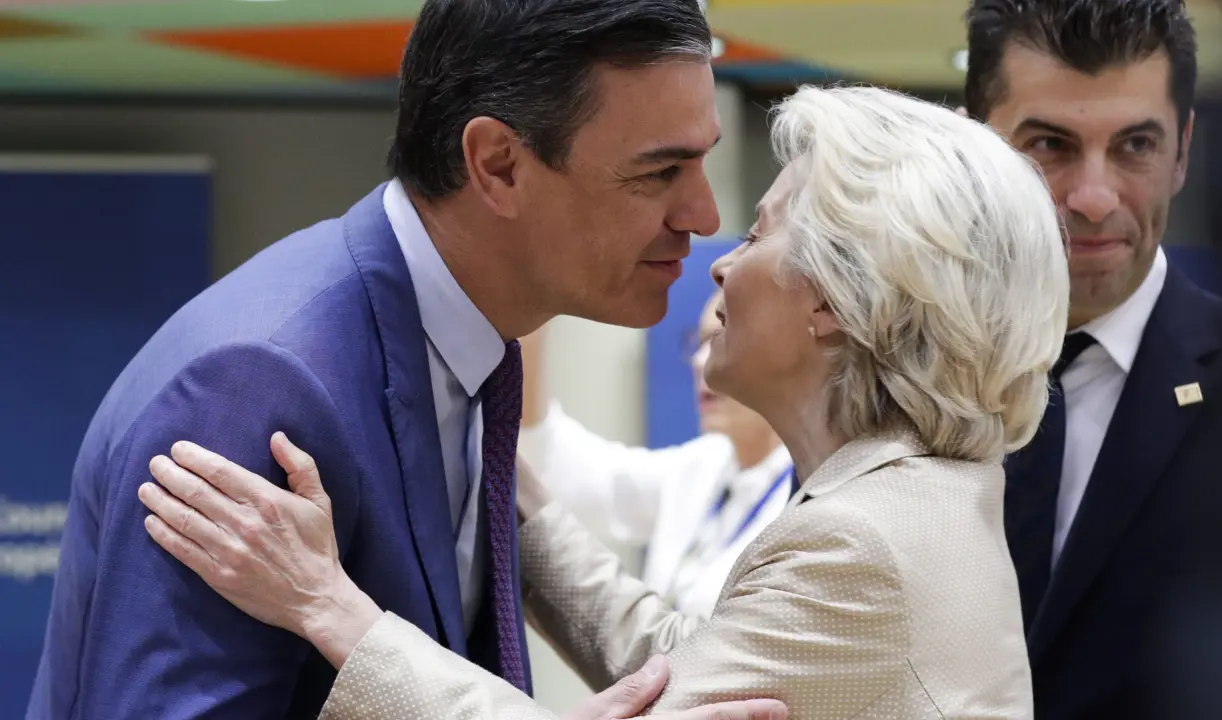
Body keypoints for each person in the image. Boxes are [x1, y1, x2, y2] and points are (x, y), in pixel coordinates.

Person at [137, 84, 1070, 719]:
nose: (723, 261)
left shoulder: (863, 545)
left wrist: (331, 608)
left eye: (758, 234)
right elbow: (679, 664)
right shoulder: (915, 501)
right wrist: (508, 489)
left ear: (837, 299)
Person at [24, 1, 751, 718]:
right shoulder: (257, 383)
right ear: (498, 165)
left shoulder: (467, 351)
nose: (706, 216)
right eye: (661, 171)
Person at [962, 1, 1222, 717]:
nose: (1093, 199)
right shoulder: (889, 371)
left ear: (1182, 151)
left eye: (1135, 145)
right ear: (974, 147)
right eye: (1050, 144)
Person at [519, 290, 791, 617]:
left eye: (721, 340)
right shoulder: (705, 465)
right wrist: (528, 329)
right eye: (699, 342)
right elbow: (574, 471)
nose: (699, 361)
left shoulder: (817, 495)